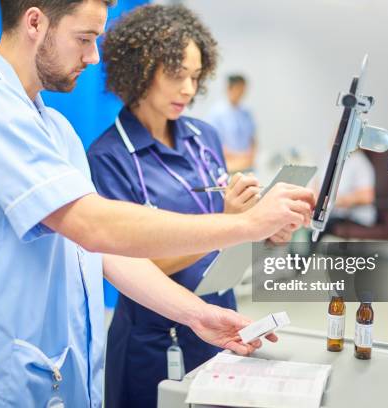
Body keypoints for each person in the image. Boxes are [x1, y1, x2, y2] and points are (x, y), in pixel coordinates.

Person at [0, 0, 316, 406]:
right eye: (85, 39)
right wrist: (245, 225)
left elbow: (103, 251)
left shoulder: (55, 130)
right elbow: (93, 225)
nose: (92, 57)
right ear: (35, 21)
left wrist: (197, 314)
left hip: (50, 367)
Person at [87, 6, 295, 408]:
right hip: (156, 338)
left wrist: (264, 229)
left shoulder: (205, 136)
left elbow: (230, 236)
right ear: (140, 69)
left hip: (224, 320)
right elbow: (129, 266)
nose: (188, 88)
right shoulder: (109, 157)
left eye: (196, 77)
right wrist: (232, 223)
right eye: (176, 74)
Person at [207, 74, 257, 173]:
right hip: (228, 166)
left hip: (247, 165)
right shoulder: (217, 113)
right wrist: (239, 157)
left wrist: (250, 156)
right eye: (239, 89)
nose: (242, 93)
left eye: (243, 89)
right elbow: (214, 143)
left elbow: (252, 138)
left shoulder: (246, 112)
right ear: (229, 88)